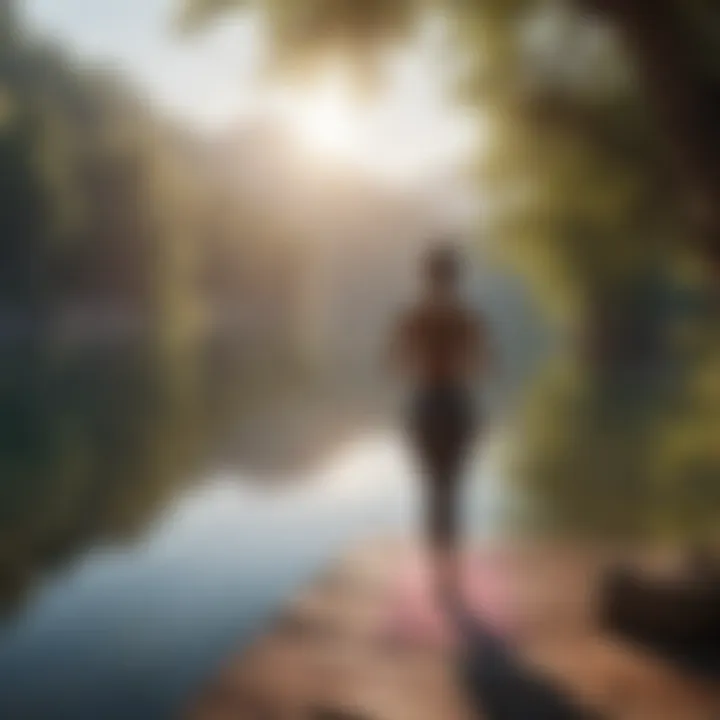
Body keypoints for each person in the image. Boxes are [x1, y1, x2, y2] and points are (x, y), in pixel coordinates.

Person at [391, 243, 490, 610]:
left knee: (431, 487)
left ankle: (437, 571)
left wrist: (423, 358)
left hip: (426, 401)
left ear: (424, 275)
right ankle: (452, 570)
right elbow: (482, 364)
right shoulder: (467, 318)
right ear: (457, 276)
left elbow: (397, 363)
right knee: (454, 487)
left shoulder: (412, 317)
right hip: (458, 402)